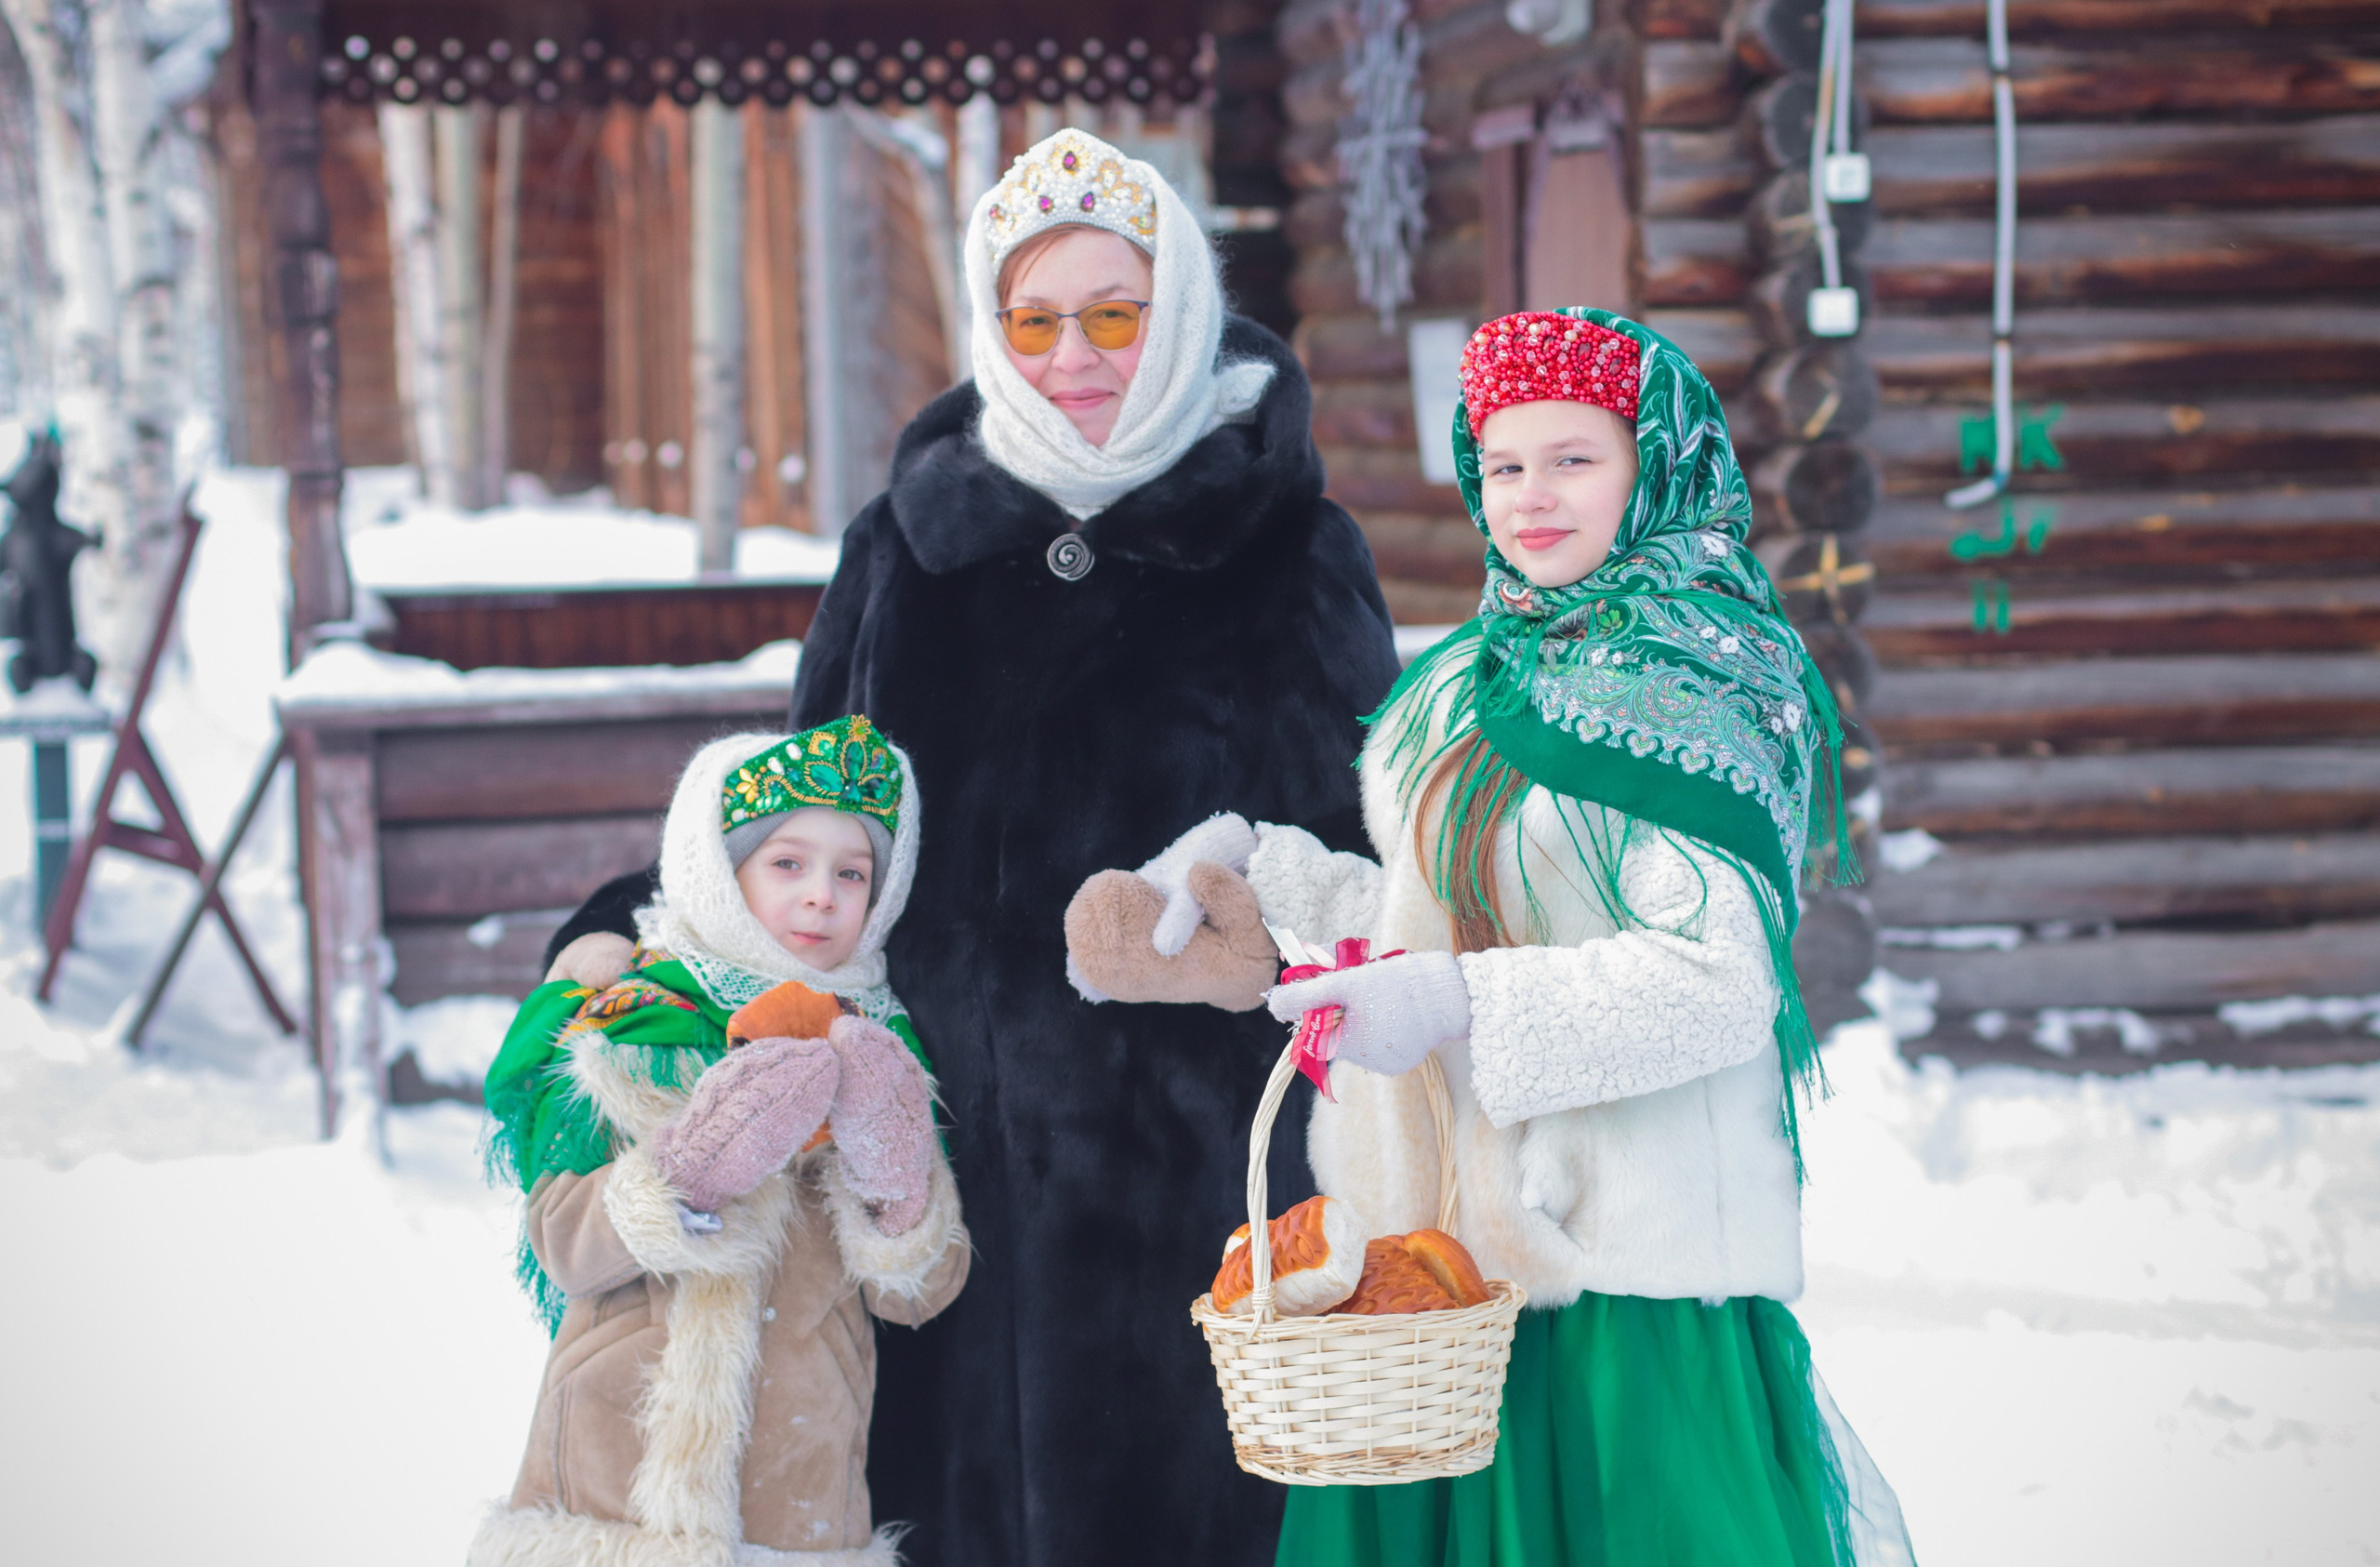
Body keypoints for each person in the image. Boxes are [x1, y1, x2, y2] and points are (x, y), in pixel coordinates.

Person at [541, 128, 1402, 1567]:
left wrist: (1248, 920)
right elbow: (802, 820)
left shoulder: (1293, 550)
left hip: (1201, 1186)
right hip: (932, 1181)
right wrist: (620, 919)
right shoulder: (905, 547)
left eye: (1115, 313)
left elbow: (1373, 853)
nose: (1075, 355)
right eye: (1035, 317)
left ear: (1181, 310)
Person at [1076, 309, 1917, 1565]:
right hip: (1436, 1273)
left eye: (1574, 458)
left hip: (1619, 1280)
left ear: (1652, 466)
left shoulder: (1702, 680)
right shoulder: (1462, 683)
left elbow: (1718, 982)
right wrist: (1266, 874)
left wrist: (1458, 1002)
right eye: (1505, 462)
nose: (1531, 495)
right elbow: (1426, 914)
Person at [476, 715, 970, 1567]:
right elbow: (561, 1241)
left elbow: (918, 1295)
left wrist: (897, 1184)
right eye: (788, 863)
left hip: (799, 1509)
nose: (822, 895)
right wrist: (683, 1173)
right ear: (722, 870)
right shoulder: (632, 1027)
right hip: (610, 1499)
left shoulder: (881, 1050)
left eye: (852, 872)